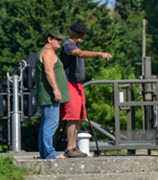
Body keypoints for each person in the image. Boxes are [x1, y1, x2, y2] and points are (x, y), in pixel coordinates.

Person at [60, 23, 112, 158]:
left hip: (77, 85)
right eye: (81, 34)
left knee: (79, 117)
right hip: (70, 84)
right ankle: (69, 148)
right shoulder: (68, 45)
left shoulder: (74, 45)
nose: (83, 37)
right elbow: (81, 54)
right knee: (72, 117)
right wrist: (99, 53)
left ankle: (73, 146)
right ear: (74, 34)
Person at [35, 30, 70, 159]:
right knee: (51, 124)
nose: (60, 42)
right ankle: (50, 153)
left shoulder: (46, 52)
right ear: (49, 40)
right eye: (57, 40)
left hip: (47, 95)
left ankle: (45, 153)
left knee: (46, 123)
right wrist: (56, 89)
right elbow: (49, 71)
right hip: (50, 96)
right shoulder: (48, 52)